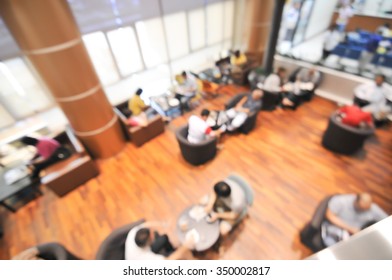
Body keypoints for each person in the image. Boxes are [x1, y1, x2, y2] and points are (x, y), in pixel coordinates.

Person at [321, 193, 388, 247]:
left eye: (366, 209)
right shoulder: (341, 201)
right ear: (355, 201)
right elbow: (329, 215)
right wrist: (351, 229)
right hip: (335, 231)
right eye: (361, 209)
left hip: (356, 237)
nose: (363, 211)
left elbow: (387, 220)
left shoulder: (372, 208)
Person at [124, 221, 195, 260]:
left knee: (164, 237)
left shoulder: (133, 232)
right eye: (152, 236)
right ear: (149, 243)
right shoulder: (146, 259)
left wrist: (164, 224)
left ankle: (172, 250)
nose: (153, 232)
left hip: (143, 250)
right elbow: (168, 260)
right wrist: (185, 246)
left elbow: (147, 224)